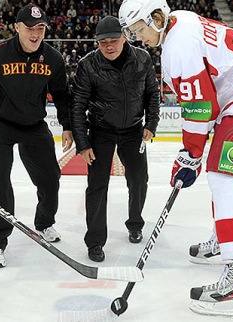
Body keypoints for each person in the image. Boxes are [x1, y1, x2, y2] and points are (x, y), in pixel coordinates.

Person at [119, 0, 233, 318]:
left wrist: (190, 154)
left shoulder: (177, 47)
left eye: (139, 30)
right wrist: (194, 153)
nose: (138, 38)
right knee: (218, 172)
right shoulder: (181, 20)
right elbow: (208, 94)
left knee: (224, 178)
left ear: (156, 18)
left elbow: (200, 106)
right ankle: (225, 237)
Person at [0, 3, 73, 268]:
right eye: (30, 28)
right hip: (2, 124)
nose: (35, 33)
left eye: (41, 28)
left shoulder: (53, 58)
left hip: (35, 125)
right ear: (17, 28)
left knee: (50, 177)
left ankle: (45, 223)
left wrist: (67, 126)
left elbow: (62, 96)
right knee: (0, 179)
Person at [70, 16, 160, 262]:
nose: (108, 46)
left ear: (124, 37)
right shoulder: (88, 65)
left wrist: (151, 124)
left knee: (139, 179)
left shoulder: (142, 58)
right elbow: (77, 105)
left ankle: (135, 223)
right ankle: (95, 241)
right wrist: (83, 143)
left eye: (113, 41)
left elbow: (153, 93)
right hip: (101, 131)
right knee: (97, 185)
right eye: (102, 43)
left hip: (133, 130)